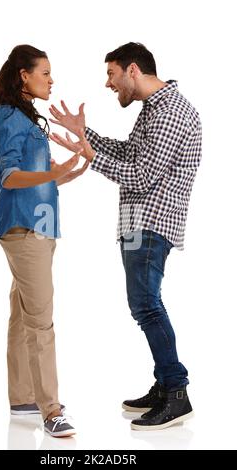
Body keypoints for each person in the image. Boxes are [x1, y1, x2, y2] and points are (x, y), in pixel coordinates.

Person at [48, 42, 202, 431]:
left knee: (147, 304)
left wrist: (89, 155)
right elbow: (131, 153)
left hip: (152, 223)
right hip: (136, 221)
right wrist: (87, 137)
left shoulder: (170, 111)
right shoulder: (154, 108)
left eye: (111, 74)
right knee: (143, 305)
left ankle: (177, 393)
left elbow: (139, 175)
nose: (108, 83)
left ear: (133, 70)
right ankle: (166, 382)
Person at [0, 44, 88, 438]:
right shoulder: (9, 118)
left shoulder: (25, 119)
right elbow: (9, 177)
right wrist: (50, 175)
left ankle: (24, 398)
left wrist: (70, 170)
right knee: (41, 322)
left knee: (22, 316)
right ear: (23, 75)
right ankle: (52, 410)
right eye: (45, 72)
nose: (51, 79)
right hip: (24, 229)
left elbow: (40, 178)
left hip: (38, 226)